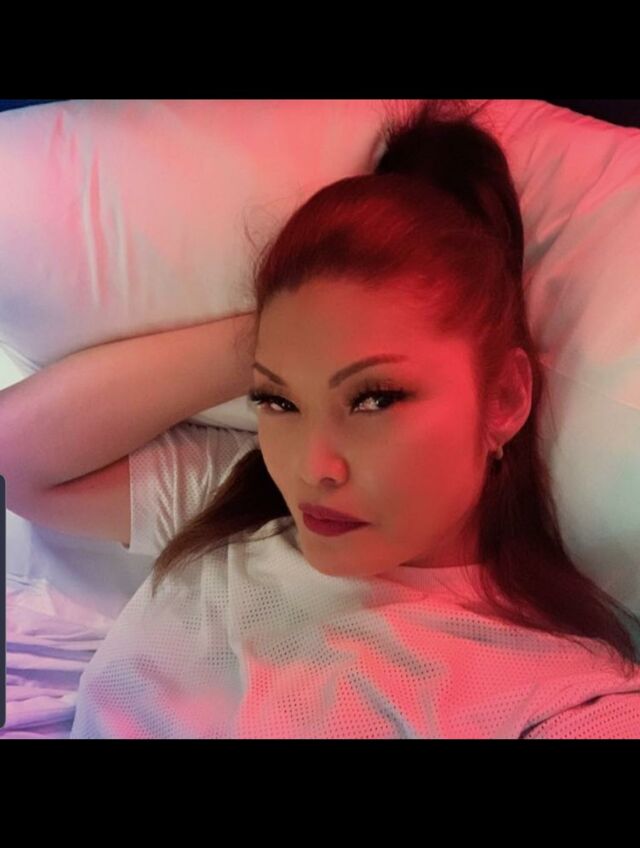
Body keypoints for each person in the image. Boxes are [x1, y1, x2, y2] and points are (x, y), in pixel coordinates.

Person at [6, 99, 640, 738]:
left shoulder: (564, 698)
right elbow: (20, 462)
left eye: (374, 400)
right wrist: (281, 337)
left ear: (503, 398)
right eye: (277, 401)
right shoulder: (242, 506)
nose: (313, 468)